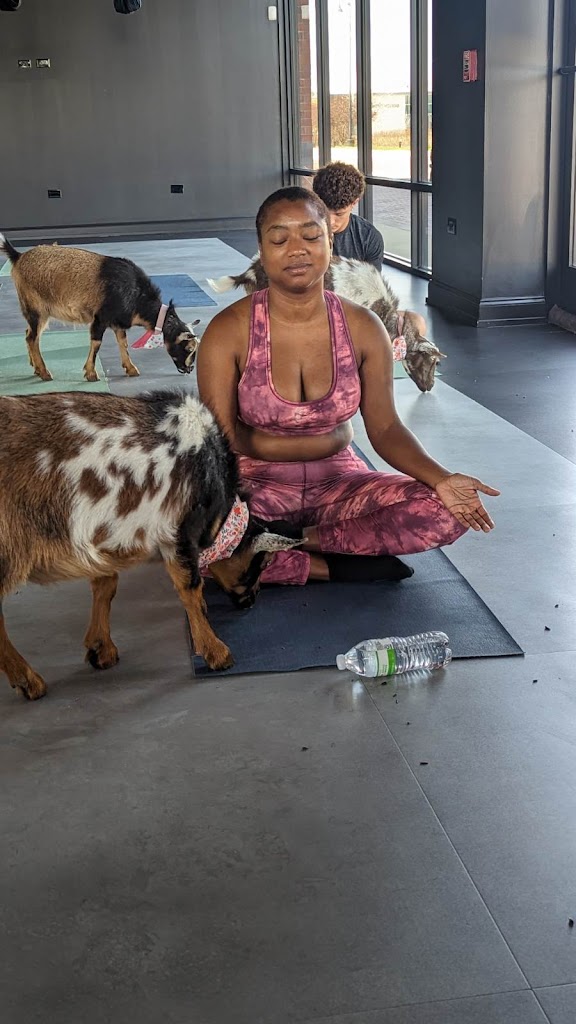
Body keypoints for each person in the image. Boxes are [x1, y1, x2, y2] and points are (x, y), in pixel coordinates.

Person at [196, 186, 499, 587]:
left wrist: (441, 478)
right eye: (279, 240)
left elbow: (386, 428)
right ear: (261, 251)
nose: (296, 249)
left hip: (339, 484)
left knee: (444, 510)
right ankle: (330, 565)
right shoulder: (227, 331)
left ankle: (283, 544)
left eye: (310, 236)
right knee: (194, 536)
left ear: (330, 242)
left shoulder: (363, 327)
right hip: (256, 487)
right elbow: (218, 443)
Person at [312, 162, 384, 271]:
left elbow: (371, 281)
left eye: (339, 214)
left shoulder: (369, 238)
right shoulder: (299, 232)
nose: (330, 221)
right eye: (323, 211)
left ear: (354, 203)